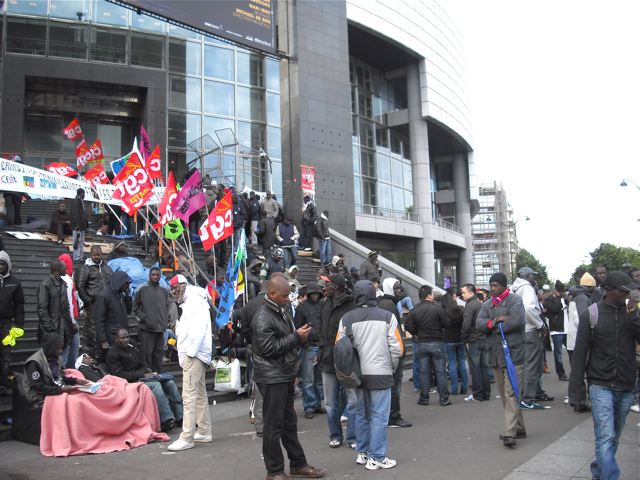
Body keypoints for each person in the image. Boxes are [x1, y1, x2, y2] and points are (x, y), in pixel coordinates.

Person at [252, 275, 326, 479]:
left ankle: (298, 464)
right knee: (273, 425)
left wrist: (296, 338)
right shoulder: (263, 317)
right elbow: (269, 349)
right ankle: (274, 470)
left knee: (289, 422)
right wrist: (296, 337)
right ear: (272, 293)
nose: (288, 299)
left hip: (283, 373)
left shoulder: (281, 310)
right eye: (284, 296)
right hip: (271, 376)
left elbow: (283, 342)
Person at [569, 271, 640, 480]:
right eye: (623, 291)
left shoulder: (632, 313)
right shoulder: (591, 314)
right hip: (600, 384)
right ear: (609, 291)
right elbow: (580, 356)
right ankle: (610, 475)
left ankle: (599, 474)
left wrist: (634, 316)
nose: (628, 295)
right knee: (605, 436)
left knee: (614, 438)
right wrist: (576, 393)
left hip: (626, 385)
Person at [336, 280, 403, 470]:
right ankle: (378, 457)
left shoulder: (346, 319)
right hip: (381, 373)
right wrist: (391, 367)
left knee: (361, 414)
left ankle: (363, 453)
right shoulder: (387, 316)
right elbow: (397, 347)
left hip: (356, 375)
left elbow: (340, 348)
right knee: (380, 416)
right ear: (374, 294)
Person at [477, 272, 526, 448]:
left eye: (496, 285)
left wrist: (491, 326)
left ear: (504, 286)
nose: (492, 288)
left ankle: (509, 433)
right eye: (491, 285)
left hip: (514, 354)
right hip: (496, 355)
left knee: (511, 392)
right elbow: (479, 324)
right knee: (505, 395)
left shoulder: (515, 300)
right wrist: (496, 321)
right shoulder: (488, 304)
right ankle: (518, 427)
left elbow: (517, 322)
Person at [167, 275, 214, 452]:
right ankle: (203, 430)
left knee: (189, 395)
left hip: (194, 355)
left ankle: (187, 436)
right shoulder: (193, 300)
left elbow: (199, 329)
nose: (173, 293)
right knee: (200, 394)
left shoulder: (194, 300)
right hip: (196, 354)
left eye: (175, 289)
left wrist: (190, 353)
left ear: (183, 285)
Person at [106, 328, 183, 433]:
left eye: (127, 337)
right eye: (122, 338)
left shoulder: (131, 347)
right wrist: (142, 374)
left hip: (143, 375)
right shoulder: (112, 354)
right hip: (130, 381)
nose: (126, 340)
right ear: (116, 339)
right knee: (156, 385)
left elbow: (142, 363)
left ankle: (180, 416)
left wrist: (146, 371)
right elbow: (119, 375)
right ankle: (166, 419)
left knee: (170, 383)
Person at [317, 273, 357, 449]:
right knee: (330, 403)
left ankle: (353, 437)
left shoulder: (352, 305)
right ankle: (335, 435)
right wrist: (321, 349)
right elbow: (321, 329)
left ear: (336, 287)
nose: (323, 288)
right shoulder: (324, 304)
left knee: (353, 401)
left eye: (327, 285)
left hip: (347, 360)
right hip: (327, 359)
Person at [404, 285, 451, 406]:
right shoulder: (437, 309)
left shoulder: (414, 310)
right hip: (437, 341)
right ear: (430, 295)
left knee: (424, 372)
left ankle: (424, 398)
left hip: (422, 342)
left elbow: (407, 326)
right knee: (440, 372)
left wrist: (416, 333)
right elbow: (447, 323)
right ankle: (444, 399)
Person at [377, 278, 413, 425]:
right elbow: (393, 331)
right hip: (393, 351)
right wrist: (399, 351)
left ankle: (390, 414)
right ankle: (393, 415)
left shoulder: (386, 303)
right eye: (397, 288)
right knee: (394, 386)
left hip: (389, 350)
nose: (400, 291)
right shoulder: (388, 305)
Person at [511, 266, 547, 410]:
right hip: (530, 330)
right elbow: (529, 309)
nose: (534, 278)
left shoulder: (514, 288)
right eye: (533, 276)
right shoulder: (527, 289)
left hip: (519, 331)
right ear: (527, 276)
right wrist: (540, 324)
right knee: (532, 365)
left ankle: (523, 396)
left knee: (523, 365)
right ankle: (527, 399)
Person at [294, 283, 325, 420]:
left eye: (317, 293)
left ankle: (316, 404)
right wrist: (304, 343)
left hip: (320, 346)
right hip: (309, 347)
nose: (315, 296)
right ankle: (309, 406)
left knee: (318, 379)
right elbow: (297, 327)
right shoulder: (301, 309)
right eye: (313, 293)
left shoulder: (323, 307)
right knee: (308, 380)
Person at [77, 245, 113, 361]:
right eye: (94, 255)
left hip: (106, 303)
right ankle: (91, 355)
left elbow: (111, 283)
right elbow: (80, 286)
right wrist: (87, 300)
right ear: (91, 255)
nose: (97, 257)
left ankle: (104, 356)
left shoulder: (107, 268)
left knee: (105, 327)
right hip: (93, 304)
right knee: (91, 330)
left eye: (98, 254)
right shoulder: (86, 268)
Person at [133, 267, 170, 372]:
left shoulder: (164, 291)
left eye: (157, 275)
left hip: (160, 328)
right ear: (149, 276)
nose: (155, 276)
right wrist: (144, 318)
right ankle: (148, 375)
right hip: (147, 329)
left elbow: (166, 307)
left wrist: (164, 321)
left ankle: (158, 373)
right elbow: (135, 307)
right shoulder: (142, 289)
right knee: (146, 354)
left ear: (160, 276)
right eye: (153, 274)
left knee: (159, 353)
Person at [37, 259, 72, 362]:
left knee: (63, 354)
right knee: (50, 355)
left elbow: (66, 306)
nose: (67, 268)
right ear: (57, 269)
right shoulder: (45, 284)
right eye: (64, 267)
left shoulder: (64, 283)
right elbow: (42, 308)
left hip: (63, 325)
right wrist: (49, 327)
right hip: (52, 326)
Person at [460, 283, 491, 402]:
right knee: (484, 367)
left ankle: (477, 394)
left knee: (475, 368)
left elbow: (466, 324)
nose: (462, 295)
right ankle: (486, 393)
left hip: (474, 339)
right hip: (483, 337)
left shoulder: (469, 306)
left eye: (463, 292)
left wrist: (463, 337)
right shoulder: (480, 304)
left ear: (471, 293)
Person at [0, 250, 24, 395]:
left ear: (8, 265)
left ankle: (3, 383)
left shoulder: (15, 283)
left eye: (3, 264)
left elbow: (19, 305)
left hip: (6, 325)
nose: (1, 266)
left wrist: (20, 325)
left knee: (5, 355)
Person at [94, 271, 132, 357]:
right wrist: (103, 340)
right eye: (125, 284)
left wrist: (128, 297)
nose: (127, 286)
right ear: (119, 282)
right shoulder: (103, 295)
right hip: (111, 336)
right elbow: (99, 320)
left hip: (122, 336)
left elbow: (129, 311)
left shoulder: (121, 295)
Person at [443, 292, 468, 395]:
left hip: (449, 340)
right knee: (462, 362)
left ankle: (454, 389)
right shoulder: (460, 310)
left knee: (452, 364)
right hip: (460, 339)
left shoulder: (444, 312)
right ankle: (464, 387)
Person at [544, 280, 569, 381]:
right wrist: (558, 297)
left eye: (564, 291)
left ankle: (576, 372)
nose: (564, 292)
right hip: (557, 331)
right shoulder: (550, 299)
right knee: (558, 354)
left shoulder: (566, 299)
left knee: (572, 352)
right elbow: (554, 308)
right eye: (562, 291)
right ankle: (561, 374)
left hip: (567, 329)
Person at [58, 254, 80, 369]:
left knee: (69, 347)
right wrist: (72, 321)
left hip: (63, 318)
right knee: (69, 348)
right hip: (68, 319)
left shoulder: (59, 279)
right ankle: (67, 372)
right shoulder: (67, 279)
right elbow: (69, 303)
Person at [70, 188, 88, 262]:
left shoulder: (80, 201)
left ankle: (81, 257)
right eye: (83, 193)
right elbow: (75, 214)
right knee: (77, 241)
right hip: (77, 226)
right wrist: (77, 225)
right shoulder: (76, 202)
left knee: (81, 242)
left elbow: (83, 214)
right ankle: (76, 257)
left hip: (82, 226)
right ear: (80, 193)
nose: (84, 195)